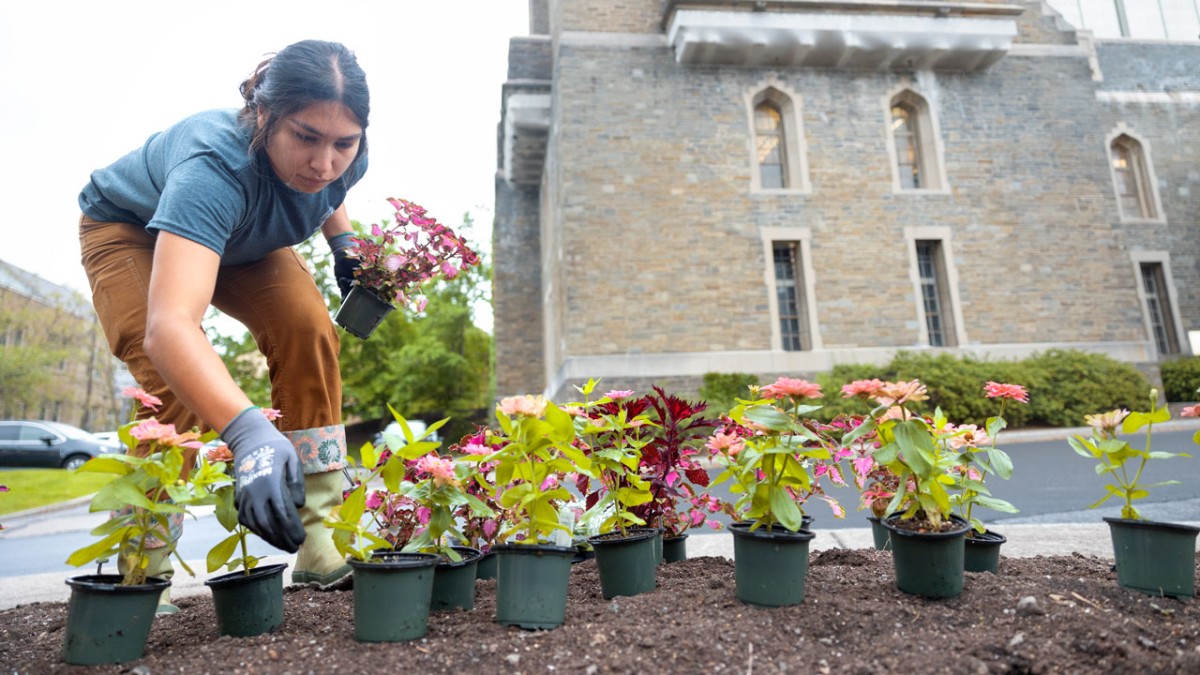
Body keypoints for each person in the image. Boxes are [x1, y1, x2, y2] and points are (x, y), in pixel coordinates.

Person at [78, 39, 368, 612]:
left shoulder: (344, 151)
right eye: (305, 137)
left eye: (343, 143)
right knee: (172, 379)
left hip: (247, 240)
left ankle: (318, 538)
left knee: (310, 329)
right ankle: (142, 563)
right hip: (132, 230)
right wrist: (248, 433)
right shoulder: (214, 166)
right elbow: (170, 326)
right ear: (263, 116)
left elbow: (333, 185)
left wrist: (345, 243)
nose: (324, 162)